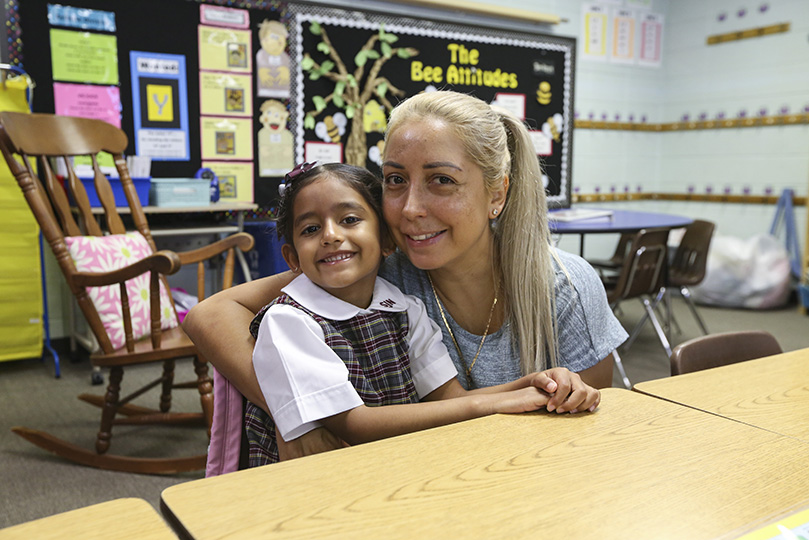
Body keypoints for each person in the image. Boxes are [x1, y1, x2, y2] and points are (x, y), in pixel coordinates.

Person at [183, 90, 627, 461]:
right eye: (395, 180)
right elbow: (210, 315)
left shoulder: (564, 285)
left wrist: (559, 390)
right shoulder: (373, 277)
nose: (411, 208)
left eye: (441, 180)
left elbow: (583, 436)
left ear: (497, 192)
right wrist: (300, 411)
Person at [245, 161, 592, 465]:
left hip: (393, 469)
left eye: (349, 219)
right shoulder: (288, 322)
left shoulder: (404, 309)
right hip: (314, 489)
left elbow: (451, 399)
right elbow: (353, 424)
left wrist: (533, 384)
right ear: (292, 258)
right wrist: (496, 405)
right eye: (310, 229)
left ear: (387, 241)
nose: (331, 236)